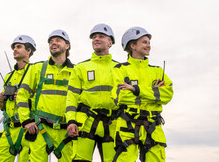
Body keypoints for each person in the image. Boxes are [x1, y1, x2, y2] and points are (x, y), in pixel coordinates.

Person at [112, 27, 174, 162]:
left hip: (153, 126)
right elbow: (120, 97)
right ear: (132, 45)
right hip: (127, 125)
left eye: (149, 42)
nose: (149, 45)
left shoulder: (157, 71)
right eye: (144, 42)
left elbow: (167, 95)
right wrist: (153, 95)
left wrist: (136, 90)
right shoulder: (120, 69)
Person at [17, 29, 75, 162]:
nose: (53, 43)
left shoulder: (76, 71)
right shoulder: (37, 68)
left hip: (65, 130)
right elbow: (22, 95)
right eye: (51, 41)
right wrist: (26, 121)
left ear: (67, 45)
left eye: (57, 40)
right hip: (40, 129)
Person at [66, 23, 119, 162]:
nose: (96, 39)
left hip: (112, 123)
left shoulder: (120, 69)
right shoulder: (80, 68)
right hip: (85, 122)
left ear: (110, 42)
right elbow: (71, 97)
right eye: (94, 37)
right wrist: (71, 120)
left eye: (101, 36)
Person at [0, 35, 36, 162]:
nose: (15, 50)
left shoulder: (35, 73)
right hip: (8, 130)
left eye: (19, 47)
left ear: (29, 51)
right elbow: (5, 107)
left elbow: (43, 99)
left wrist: (25, 100)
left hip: (27, 129)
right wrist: (1, 102)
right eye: (14, 48)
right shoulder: (8, 77)